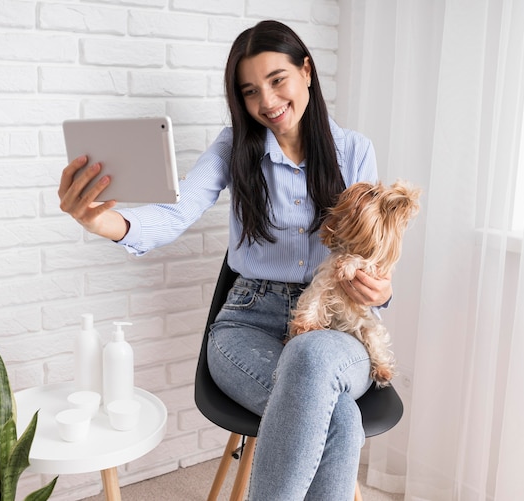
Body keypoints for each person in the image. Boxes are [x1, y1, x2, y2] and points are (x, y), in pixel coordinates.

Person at [59, 19, 392, 501]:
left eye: (278, 80)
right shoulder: (234, 147)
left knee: (311, 357)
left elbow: (371, 249)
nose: (268, 102)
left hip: (336, 325)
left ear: (307, 71)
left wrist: (380, 290)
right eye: (251, 91)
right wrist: (101, 222)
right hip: (247, 323)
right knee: (338, 415)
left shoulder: (356, 152)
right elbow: (176, 210)